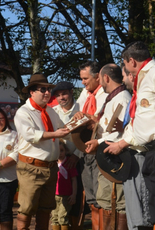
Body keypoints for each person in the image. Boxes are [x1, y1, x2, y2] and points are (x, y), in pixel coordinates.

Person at [104, 41, 155, 230]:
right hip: (149, 152)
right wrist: (123, 142)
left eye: (125, 63)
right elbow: (142, 120)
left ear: (131, 61)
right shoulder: (144, 79)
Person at [14, 73, 70, 230]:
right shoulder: (24, 112)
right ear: (31, 92)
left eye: (48, 89)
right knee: (26, 208)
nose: (47, 92)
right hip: (31, 168)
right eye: (42, 89)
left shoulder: (51, 112)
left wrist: (80, 120)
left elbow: (64, 130)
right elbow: (30, 135)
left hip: (50, 168)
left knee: (46, 208)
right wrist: (55, 134)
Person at [83, 63, 131, 229]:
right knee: (106, 201)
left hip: (116, 161)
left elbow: (120, 133)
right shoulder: (113, 98)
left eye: (100, 78)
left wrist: (98, 142)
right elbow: (110, 127)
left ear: (105, 78)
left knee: (117, 203)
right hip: (107, 158)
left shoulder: (122, 98)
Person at [74, 61, 108, 229]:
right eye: (81, 78)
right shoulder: (86, 93)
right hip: (85, 149)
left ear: (97, 77)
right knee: (91, 197)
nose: (83, 82)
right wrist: (80, 115)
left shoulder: (106, 93)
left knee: (102, 197)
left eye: (85, 78)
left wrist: (92, 118)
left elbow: (108, 122)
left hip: (100, 149)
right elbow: (77, 113)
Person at [51, 81, 84, 229]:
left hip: (79, 159)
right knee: (57, 199)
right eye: (57, 95)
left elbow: (89, 135)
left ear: (72, 92)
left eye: (64, 93)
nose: (61, 98)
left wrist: (77, 155)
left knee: (76, 199)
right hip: (59, 161)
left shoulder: (81, 108)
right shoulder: (52, 112)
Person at [51, 139, 78, 230]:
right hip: (54, 195)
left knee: (62, 217)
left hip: (66, 196)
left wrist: (74, 195)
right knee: (54, 217)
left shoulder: (69, 164)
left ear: (66, 151)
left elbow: (74, 180)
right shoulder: (52, 164)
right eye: (57, 151)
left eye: (62, 150)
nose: (60, 153)